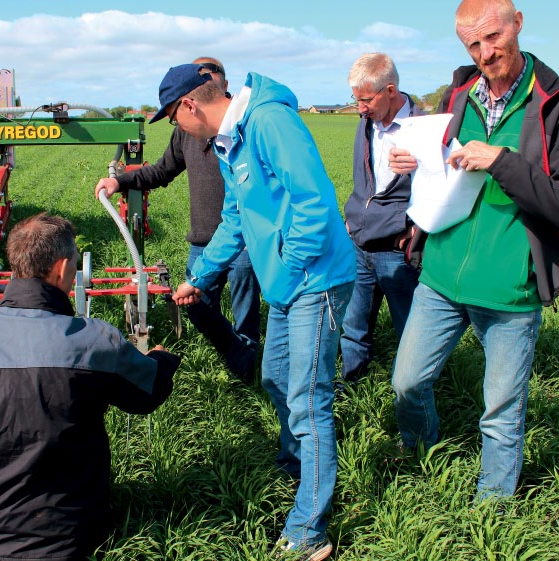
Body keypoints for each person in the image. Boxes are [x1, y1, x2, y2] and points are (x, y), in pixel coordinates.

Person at [388, 0, 559, 502]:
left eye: (493, 37)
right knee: (406, 383)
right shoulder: (459, 91)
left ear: (518, 23)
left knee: (500, 411)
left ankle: (492, 510)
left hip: (509, 286)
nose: (485, 52)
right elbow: (442, 164)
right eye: (472, 43)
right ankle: (422, 454)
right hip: (440, 276)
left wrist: (502, 160)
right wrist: (413, 161)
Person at [156, 63, 355, 560]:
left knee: (308, 400)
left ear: (189, 106)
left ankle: (309, 527)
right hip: (289, 284)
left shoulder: (268, 122)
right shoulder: (231, 142)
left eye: (174, 118)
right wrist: (198, 279)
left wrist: (285, 273)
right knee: (274, 377)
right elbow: (236, 218)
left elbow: (313, 204)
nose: (178, 129)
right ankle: (297, 467)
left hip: (316, 279)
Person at [0, 213, 181, 561]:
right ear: (62, 269)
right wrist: (163, 358)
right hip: (72, 531)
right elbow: (148, 393)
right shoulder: (94, 341)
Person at [94, 57, 261, 384]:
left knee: (246, 314)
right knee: (197, 307)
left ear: (222, 88)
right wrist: (120, 182)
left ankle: (246, 376)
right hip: (203, 242)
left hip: (242, 241)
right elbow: (161, 171)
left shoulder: (243, 130)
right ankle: (237, 353)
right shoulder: (187, 134)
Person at [340, 53, 422, 385]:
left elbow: (442, 186)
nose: (360, 107)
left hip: (396, 252)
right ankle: (354, 386)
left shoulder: (423, 128)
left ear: (390, 89)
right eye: (356, 99)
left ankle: (410, 397)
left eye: (365, 99)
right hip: (359, 245)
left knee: (411, 332)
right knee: (353, 326)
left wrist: (418, 227)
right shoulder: (366, 123)